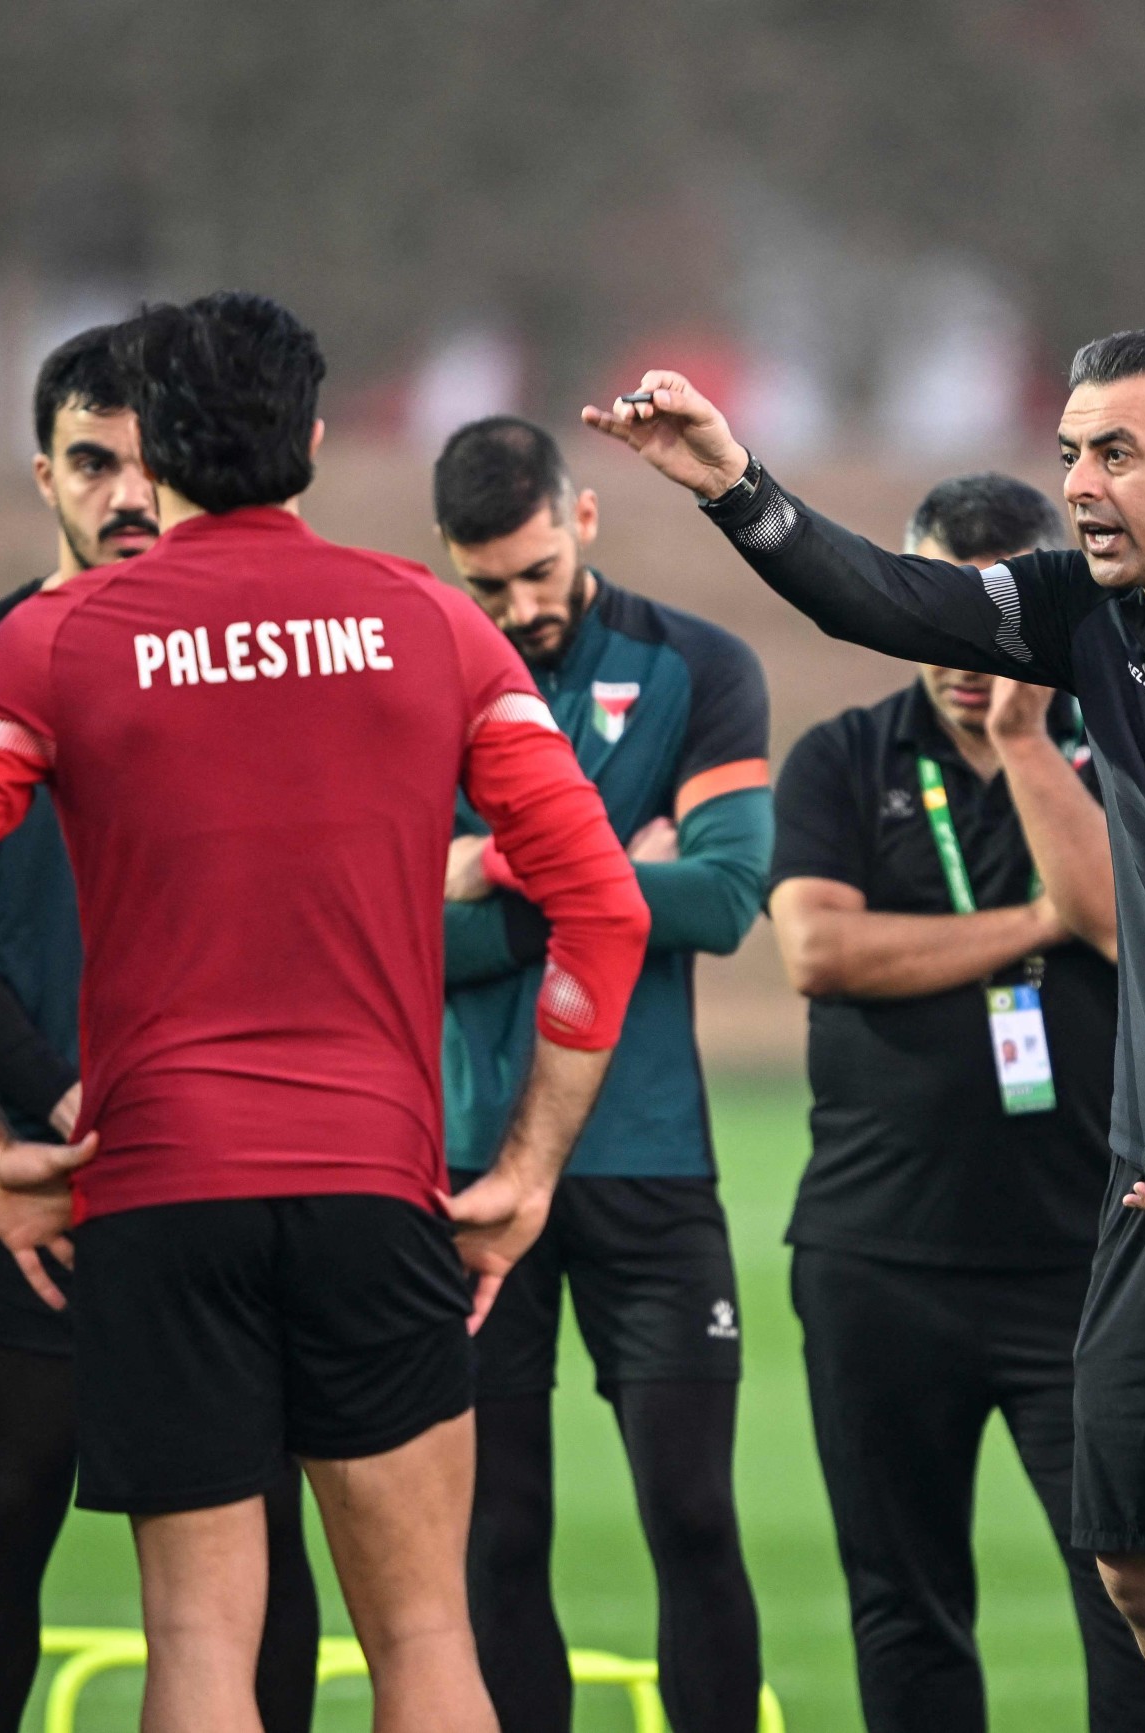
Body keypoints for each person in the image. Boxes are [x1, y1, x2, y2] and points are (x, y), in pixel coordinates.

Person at [0, 291, 650, 1733]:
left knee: (201, 1653)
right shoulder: (435, 626)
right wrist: (527, 1169)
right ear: (319, 443)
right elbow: (606, 906)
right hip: (373, 1182)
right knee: (424, 1638)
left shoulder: (53, 643)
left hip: (157, 1195)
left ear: (151, 459)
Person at [586, 331, 1145, 1731]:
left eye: (1115, 453)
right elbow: (881, 597)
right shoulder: (1087, 617)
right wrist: (733, 484)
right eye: (1071, 450)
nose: (1077, 482)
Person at [0, 324, 318, 1733]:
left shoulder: (257, 655)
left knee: (264, 1550)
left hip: (226, 1160)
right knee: (4, 1516)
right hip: (37, 1178)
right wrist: (50, 1092)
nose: (124, 492)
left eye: (145, 461)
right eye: (89, 461)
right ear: (40, 475)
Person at [766, 471, 1145, 1733]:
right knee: (901, 1601)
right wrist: (1030, 926)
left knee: (1133, 1589)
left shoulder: (1123, 739)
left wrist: (1024, 742)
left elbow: (1108, 916)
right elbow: (819, 953)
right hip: (877, 1257)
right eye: (936, 608)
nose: (960, 657)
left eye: (986, 621)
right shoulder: (843, 754)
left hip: (1079, 1260)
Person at [432, 416, 768, 1733]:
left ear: (582, 520)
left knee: (692, 1513)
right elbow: (392, 936)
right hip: (468, 1160)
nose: (520, 608)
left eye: (533, 572)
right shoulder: (424, 680)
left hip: (649, 1155)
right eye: (487, 587)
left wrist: (500, 866)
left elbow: (730, 896)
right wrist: (617, 873)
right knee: (499, 1529)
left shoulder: (701, 665)